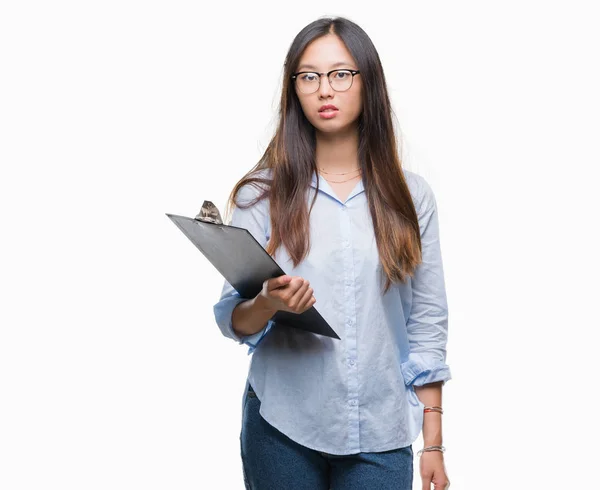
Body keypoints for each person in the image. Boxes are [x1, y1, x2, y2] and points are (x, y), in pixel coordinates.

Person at [213, 16, 451, 490]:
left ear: (368, 82)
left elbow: (427, 322)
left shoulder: (410, 196)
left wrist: (434, 443)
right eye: (309, 76)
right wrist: (268, 304)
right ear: (294, 89)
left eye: (341, 74)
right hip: (281, 424)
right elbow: (231, 318)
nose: (325, 89)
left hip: (381, 430)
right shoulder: (261, 195)